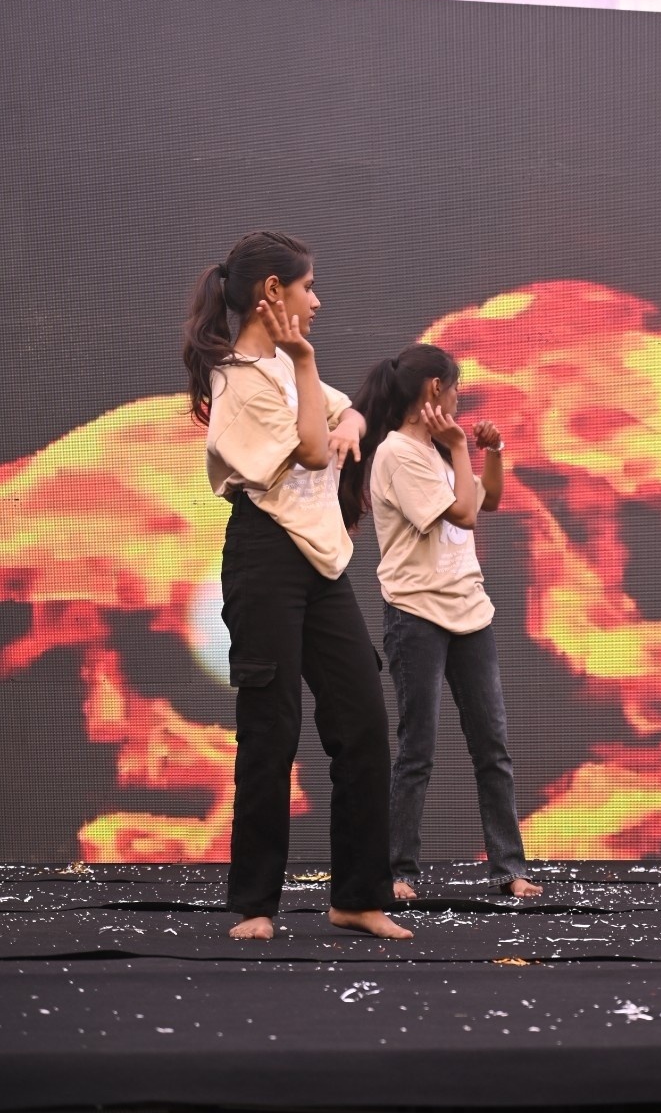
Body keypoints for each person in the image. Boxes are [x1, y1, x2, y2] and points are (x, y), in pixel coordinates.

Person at [181, 229, 410, 942]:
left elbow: (348, 415)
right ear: (272, 292)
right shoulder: (239, 381)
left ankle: (357, 896)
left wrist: (348, 416)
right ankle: (255, 904)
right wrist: (310, 371)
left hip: (322, 562)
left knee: (362, 722)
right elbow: (312, 448)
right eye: (308, 287)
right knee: (270, 728)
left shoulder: (285, 366)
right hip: (265, 557)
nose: (318, 300)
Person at [340, 343, 541, 900]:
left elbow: (488, 500)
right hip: (417, 614)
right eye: (455, 388)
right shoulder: (397, 454)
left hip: (470, 611)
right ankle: (398, 870)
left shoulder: (436, 451)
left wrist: (490, 451)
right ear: (434, 389)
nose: (459, 399)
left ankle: (509, 867)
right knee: (417, 751)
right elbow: (464, 514)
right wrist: (458, 446)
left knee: (493, 748)